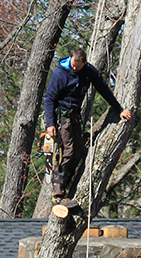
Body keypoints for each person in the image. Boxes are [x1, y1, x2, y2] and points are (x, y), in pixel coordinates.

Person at [44, 48, 132, 205]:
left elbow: (104, 89)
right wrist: (50, 124)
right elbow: (49, 98)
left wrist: (119, 109)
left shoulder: (88, 71)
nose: (75, 68)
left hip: (74, 117)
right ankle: (57, 194)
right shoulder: (60, 73)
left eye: (78, 66)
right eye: (73, 64)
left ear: (84, 62)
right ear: (70, 59)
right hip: (61, 117)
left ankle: (64, 187)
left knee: (78, 152)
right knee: (66, 153)